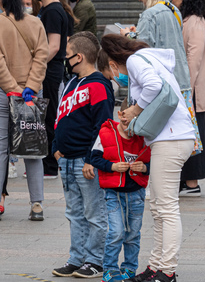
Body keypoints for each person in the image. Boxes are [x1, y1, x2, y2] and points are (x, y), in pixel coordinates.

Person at [98, 34, 195, 282]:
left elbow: (153, 86)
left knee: (166, 207)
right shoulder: (146, 58)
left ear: (112, 61)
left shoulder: (134, 62)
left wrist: (135, 109)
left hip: (170, 139)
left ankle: (167, 270)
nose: (115, 74)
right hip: (173, 138)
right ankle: (155, 266)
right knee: (158, 207)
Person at [50, 33, 114, 278]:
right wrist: (56, 147)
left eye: (67, 56)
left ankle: (95, 261)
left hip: (85, 162)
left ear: (80, 57)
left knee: (94, 213)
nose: (65, 60)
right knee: (74, 213)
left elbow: (103, 125)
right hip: (66, 159)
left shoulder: (98, 85)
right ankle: (77, 258)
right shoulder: (71, 83)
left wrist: (91, 158)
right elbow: (60, 118)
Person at [0, 0, 49, 221]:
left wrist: (12, 88)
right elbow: (42, 57)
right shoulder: (35, 22)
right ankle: (37, 204)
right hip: (32, 94)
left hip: (3, 93)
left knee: (1, 149)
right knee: (32, 148)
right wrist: (30, 87)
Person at [89, 117, 149, 282]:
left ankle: (129, 268)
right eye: (125, 122)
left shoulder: (145, 136)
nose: (129, 127)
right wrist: (112, 166)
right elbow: (94, 158)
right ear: (121, 115)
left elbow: (156, 161)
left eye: (133, 123)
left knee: (133, 234)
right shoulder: (105, 133)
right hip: (113, 193)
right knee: (116, 232)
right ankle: (109, 269)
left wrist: (144, 168)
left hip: (136, 193)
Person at [170, 0, 205, 197]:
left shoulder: (195, 21)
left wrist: (183, 89)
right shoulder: (186, 18)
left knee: (193, 134)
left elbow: (193, 58)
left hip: (191, 91)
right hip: (188, 88)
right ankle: (186, 181)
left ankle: (192, 182)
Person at [32, 0, 69, 178]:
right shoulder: (48, 10)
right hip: (48, 71)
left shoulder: (53, 11)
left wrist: (35, 65)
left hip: (50, 72)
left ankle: (49, 167)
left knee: (48, 117)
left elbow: (53, 47)